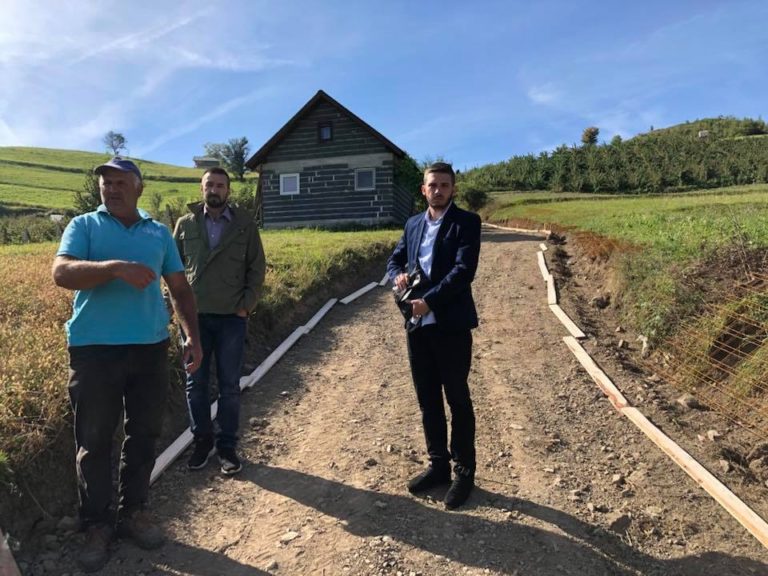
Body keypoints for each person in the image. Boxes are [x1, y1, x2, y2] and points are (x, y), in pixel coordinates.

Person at [52, 157, 203, 572]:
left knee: (144, 433)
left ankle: (134, 511)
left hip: (149, 350)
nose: (111, 189)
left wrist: (191, 336)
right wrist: (114, 268)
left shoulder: (157, 233)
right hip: (94, 350)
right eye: (105, 183)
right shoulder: (84, 226)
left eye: (120, 182)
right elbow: (62, 273)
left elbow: (179, 289)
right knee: (95, 439)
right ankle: (96, 524)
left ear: (138, 188)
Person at [386, 162, 481, 510]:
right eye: (432, 185)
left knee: (457, 398)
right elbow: (395, 259)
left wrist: (429, 302)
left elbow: (462, 272)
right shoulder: (412, 224)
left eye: (444, 184)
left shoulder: (467, 223)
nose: (438, 190)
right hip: (417, 326)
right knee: (427, 399)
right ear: (423, 190)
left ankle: (464, 471)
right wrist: (397, 277)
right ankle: (438, 465)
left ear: (453, 189)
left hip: (451, 324)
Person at [173, 167, 266, 476]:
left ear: (228, 190)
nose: (214, 189)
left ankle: (226, 446)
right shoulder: (185, 225)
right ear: (202, 189)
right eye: (209, 184)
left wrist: (246, 306)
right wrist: (176, 310)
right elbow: (170, 270)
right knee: (195, 384)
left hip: (230, 319)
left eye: (220, 185)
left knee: (229, 386)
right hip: (193, 320)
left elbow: (257, 268)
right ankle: (202, 442)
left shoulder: (244, 225)